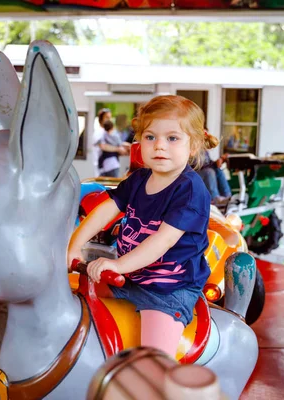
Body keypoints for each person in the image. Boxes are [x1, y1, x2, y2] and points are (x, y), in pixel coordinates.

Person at [68, 95, 217, 358]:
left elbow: (163, 241)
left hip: (169, 288)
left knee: (152, 361)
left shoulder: (190, 190)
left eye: (172, 138)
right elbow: (105, 211)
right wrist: (75, 245)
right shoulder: (138, 180)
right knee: (76, 302)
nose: (159, 145)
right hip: (132, 278)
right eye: (150, 137)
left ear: (193, 146)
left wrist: (117, 265)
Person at [93, 108, 113, 177]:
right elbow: (103, 146)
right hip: (98, 167)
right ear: (101, 119)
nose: (109, 120)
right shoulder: (98, 132)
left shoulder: (106, 132)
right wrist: (119, 149)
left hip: (105, 167)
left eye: (110, 118)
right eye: (107, 117)